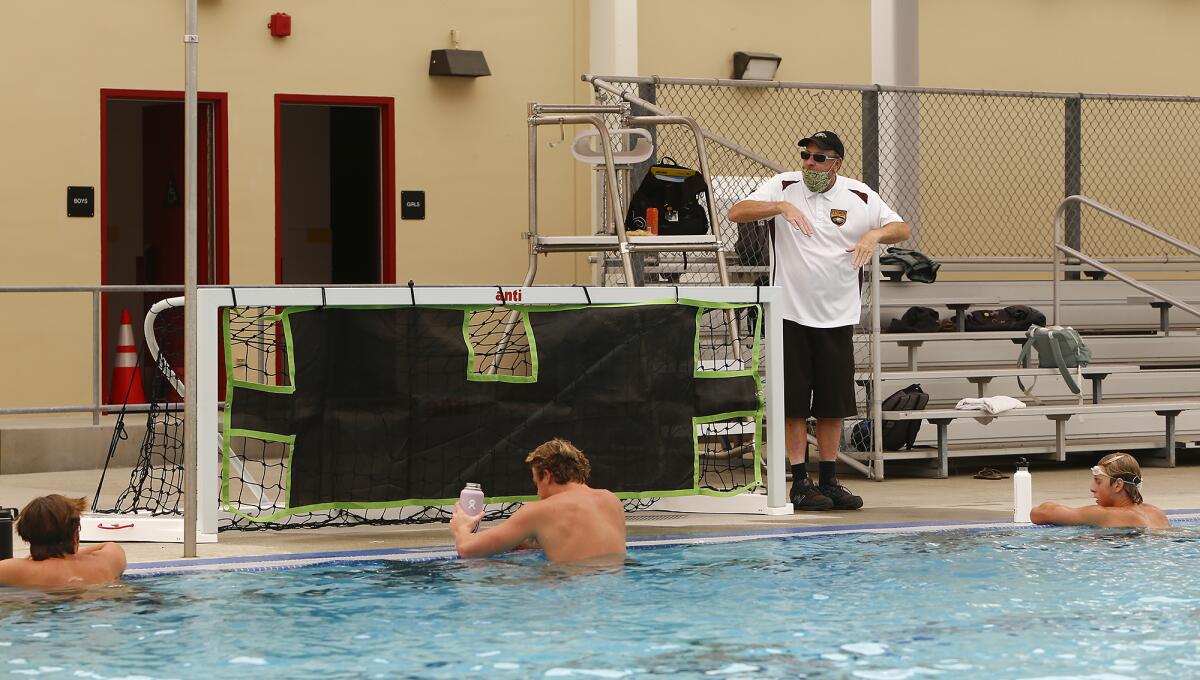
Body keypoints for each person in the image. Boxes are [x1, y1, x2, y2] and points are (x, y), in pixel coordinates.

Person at [728, 131, 911, 511]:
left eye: (818, 158)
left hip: (837, 315)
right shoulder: (783, 185)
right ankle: (799, 481)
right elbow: (737, 211)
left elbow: (902, 228)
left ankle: (829, 478)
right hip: (790, 313)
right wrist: (779, 208)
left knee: (832, 405)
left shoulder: (859, 195)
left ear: (836, 163)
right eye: (806, 156)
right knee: (793, 404)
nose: (809, 163)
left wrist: (875, 235)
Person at [450, 439, 626, 562]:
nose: (538, 492)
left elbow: (467, 549)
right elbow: (584, 547)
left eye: (536, 483)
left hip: (572, 598)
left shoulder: (540, 510)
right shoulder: (612, 500)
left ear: (547, 475)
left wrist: (461, 528)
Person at [0, 495, 127, 589]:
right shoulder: (107, 563)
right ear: (75, 535)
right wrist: (69, 553)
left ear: (26, 536)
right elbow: (110, 545)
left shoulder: (14, 570)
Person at [1030, 453, 1169, 529]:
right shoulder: (1156, 512)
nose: (1092, 488)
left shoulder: (1104, 514)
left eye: (1098, 482)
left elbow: (1040, 513)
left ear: (1118, 485)